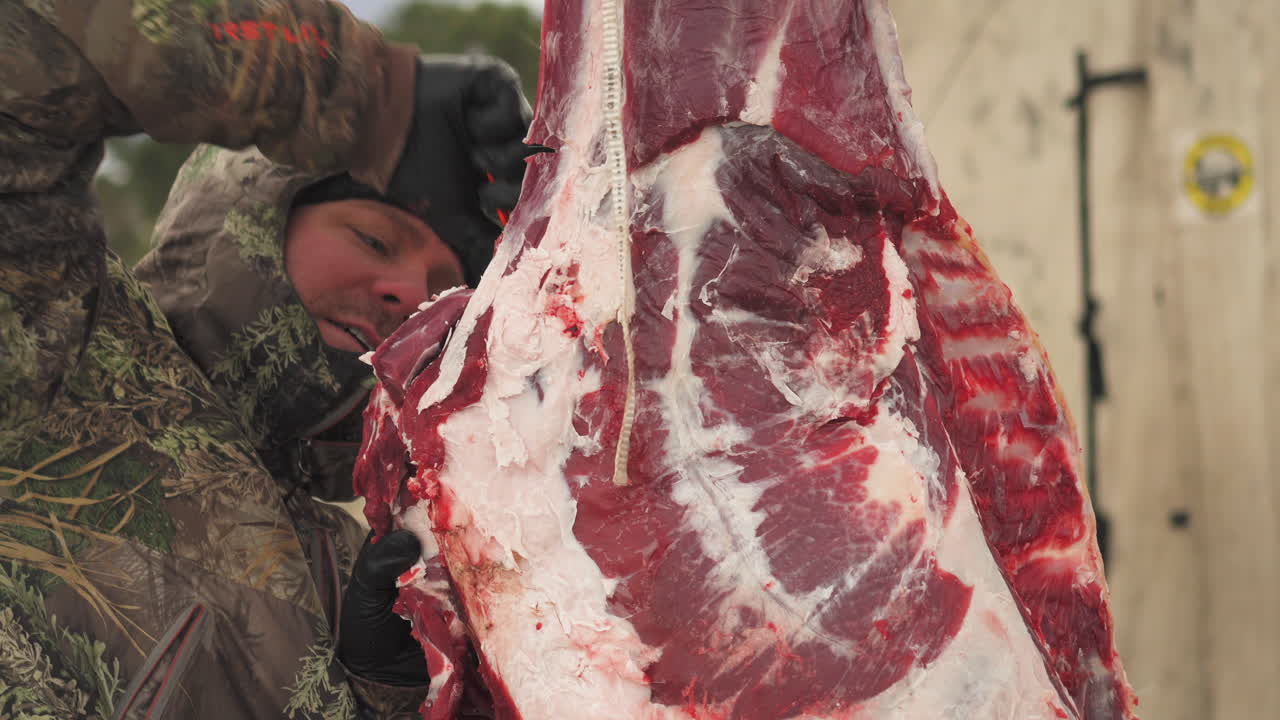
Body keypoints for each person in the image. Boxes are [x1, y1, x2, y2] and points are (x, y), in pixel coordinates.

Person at [0, 1, 530, 717]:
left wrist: (388, 698)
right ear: (246, 211)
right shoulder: (53, 339)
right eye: (375, 239)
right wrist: (371, 100)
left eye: (444, 292)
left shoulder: (380, 578)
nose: (407, 292)